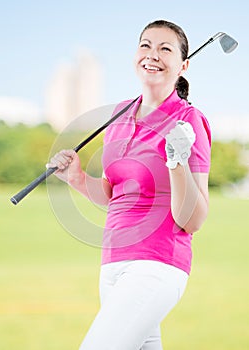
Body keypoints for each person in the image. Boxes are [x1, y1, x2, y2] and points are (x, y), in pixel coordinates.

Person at [47, 20, 211, 350]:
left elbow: (192, 220)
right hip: (112, 265)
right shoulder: (119, 115)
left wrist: (176, 160)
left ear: (184, 64)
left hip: (156, 265)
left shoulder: (188, 120)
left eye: (165, 48)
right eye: (145, 45)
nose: (153, 54)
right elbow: (114, 194)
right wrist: (77, 178)